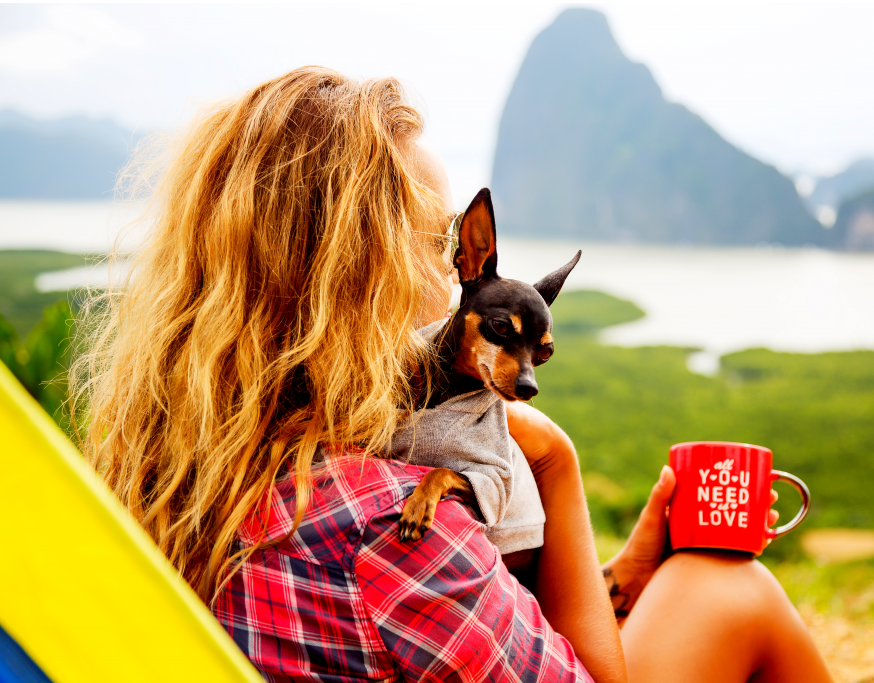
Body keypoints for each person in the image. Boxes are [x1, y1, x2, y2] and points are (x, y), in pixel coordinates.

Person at [71, 67, 833, 682]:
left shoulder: (169, 463)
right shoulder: (395, 526)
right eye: (442, 245)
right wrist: (555, 464)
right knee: (734, 591)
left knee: (694, 578)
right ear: (353, 281)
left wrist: (629, 568)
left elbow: (464, 621)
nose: (455, 281)